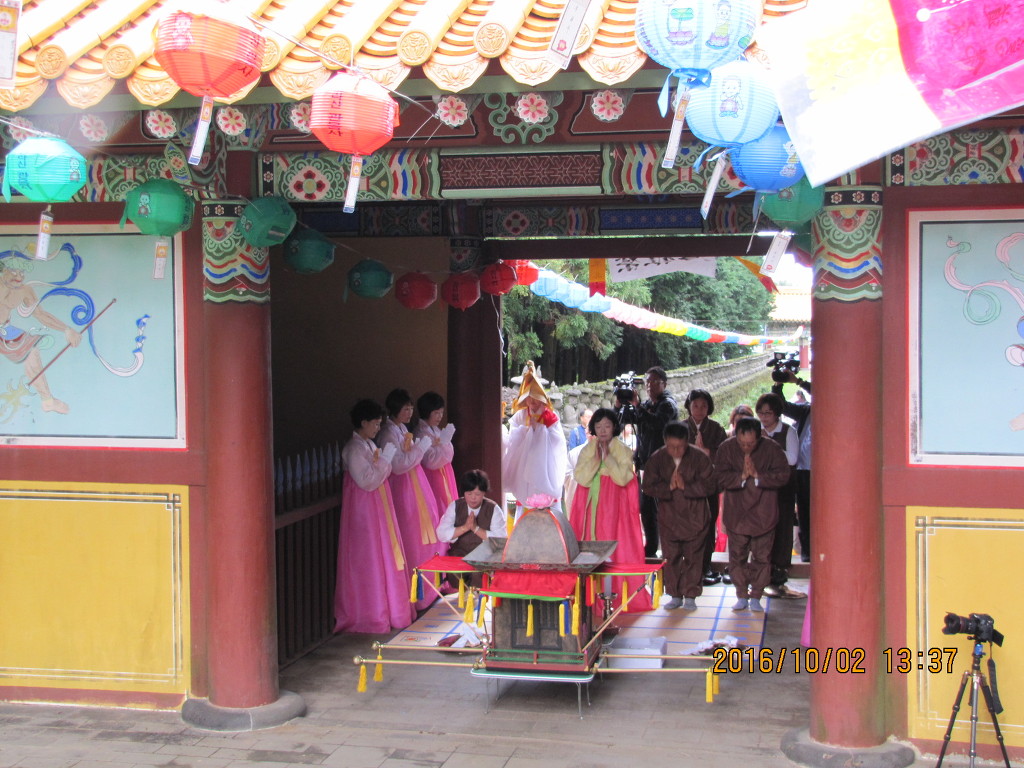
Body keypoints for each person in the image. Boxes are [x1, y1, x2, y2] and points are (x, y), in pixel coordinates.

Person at [334, 399, 416, 634]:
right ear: (364, 422)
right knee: (368, 558)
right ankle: (370, 613)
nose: (378, 428)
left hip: (377, 505)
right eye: (376, 424)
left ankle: (390, 610)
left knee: (384, 554)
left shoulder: (368, 445)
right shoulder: (354, 448)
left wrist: (384, 463)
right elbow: (366, 481)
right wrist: (385, 462)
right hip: (363, 510)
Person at [569, 407, 652, 612]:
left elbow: (623, 478)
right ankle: (591, 595)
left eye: (607, 426)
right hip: (591, 506)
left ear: (614, 427)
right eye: (598, 426)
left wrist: (608, 458)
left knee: (612, 544)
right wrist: (597, 459)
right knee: (591, 544)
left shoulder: (622, 450)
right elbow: (581, 477)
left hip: (614, 506)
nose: (603, 430)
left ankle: (612, 594)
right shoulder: (588, 449)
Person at [713, 416, 791, 613]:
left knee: (762, 557)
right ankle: (741, 594)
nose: (746, 447)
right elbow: (719, 476)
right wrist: (740, 476)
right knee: (736, 557)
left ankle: (756, 595)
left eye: (751, 443)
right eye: (742, 443)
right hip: (737, 512)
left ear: (760, 437)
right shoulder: (726, 448)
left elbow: (783, 475)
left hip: (764, 512)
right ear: (736, 435)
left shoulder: (772, 449)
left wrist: (758, 476)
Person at [378, 388, 445, 610]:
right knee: (411, 539)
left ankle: (428, 589)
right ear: (395, 410)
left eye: (411, 408)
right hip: (402, 489)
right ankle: (414, 593)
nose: (409, 413)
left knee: (423, 535)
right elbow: (398, 465)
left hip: (413, 485)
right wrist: (419, 450)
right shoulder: (388, 434)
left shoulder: (401, 429)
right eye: (405, 409)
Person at [641, 421, 715, 611]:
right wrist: (669, 487)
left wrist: (686, 487)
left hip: (695, 516)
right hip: (669, 517)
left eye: (680, 447)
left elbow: (712, 485)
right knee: (671, 557)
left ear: (687, 442)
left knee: (693, 558)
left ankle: (690, 595)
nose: (676, 451)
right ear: (665, 441)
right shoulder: (657, 458)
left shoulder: (699, 457)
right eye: (671, 446)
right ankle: (674, 594)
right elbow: (647, 486)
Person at [0, 254, 81, 414]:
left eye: (22, 272)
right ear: (4, 271)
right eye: (14, 272)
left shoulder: (24, 290)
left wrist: (67, 329)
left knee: (32, 352)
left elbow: (40, 315)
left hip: (4, 330)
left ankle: (48, 401)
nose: (19, 277)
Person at [621, 366, 678, 558]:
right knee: (646, 508)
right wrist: (623, 404)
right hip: (645, 463)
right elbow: (630, 420)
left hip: (664, 464)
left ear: (664, 384)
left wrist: (638, 406)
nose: (649, 385)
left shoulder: (668, 404)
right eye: (647, 382)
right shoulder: (646, 404)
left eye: (654, 382)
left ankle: (669, 549)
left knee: (664, 507)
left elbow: (657, 424)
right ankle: (651, 548)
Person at [756, 392, 805, 599]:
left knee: (783, 530)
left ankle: (779, 576)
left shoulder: (787, 431)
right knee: (762, 531)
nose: (764, 418)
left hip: (783, 489)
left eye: (768, 413)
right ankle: (761, 575)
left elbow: (792, 459)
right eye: (761, 413)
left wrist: (770, 444)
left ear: (777, 414)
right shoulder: (756, 430)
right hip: (761, 490)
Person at [503, 361, 567, 514]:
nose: (532, 402)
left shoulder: (550, 416)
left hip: (545, 463)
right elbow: (513, 436)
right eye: (529, 398)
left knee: (544, 498)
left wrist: (540, 431)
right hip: (523, 463)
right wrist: (525, 431)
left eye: (536, 399)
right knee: (523, 499)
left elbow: (558, 442)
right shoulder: (521, 415)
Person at [683, 388, 727, 586]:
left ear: (709, 408)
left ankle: (706, 565)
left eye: (703, 406)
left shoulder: (716, 429)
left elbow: (724, 455)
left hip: (709, 485)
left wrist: (707, 452)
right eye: (695, 405)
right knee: (688, 526)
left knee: (708, 526)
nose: (699, 410)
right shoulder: (681, 428)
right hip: (686, 487)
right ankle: (689, 565)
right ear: (689, 407)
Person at [436, 469, 506, 586]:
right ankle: (460, 594)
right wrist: (465, 527)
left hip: (484, 554)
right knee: (456, 571)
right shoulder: (455, 506)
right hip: (460, 552)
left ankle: (480, 596)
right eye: (469, 494)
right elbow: (441, 533)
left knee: (479, 574)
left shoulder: (493, 509)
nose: (473, 498)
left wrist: (476, 529)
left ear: (484, 493)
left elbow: (500, 540)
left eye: (477, 494)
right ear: (464, 493)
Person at [772, 371, 812, 564]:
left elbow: (821, 392)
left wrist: (798, 381)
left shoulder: (834, 405)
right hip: (804, 469)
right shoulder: (806, 411)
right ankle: (807, 552)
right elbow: (781, 407)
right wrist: (778, 385)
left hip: (828, 471)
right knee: (804, 511)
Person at [414, 391, 458, 515]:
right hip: (431, 475)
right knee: (436, 508)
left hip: (442, 472)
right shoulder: (421, 432)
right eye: (436, 413)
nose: (440, 416)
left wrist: (444, 444)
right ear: (427, 412)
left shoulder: (434, 429)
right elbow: (430, 461)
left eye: (441, 412)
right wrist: (443, 444)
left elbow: (449, 453)